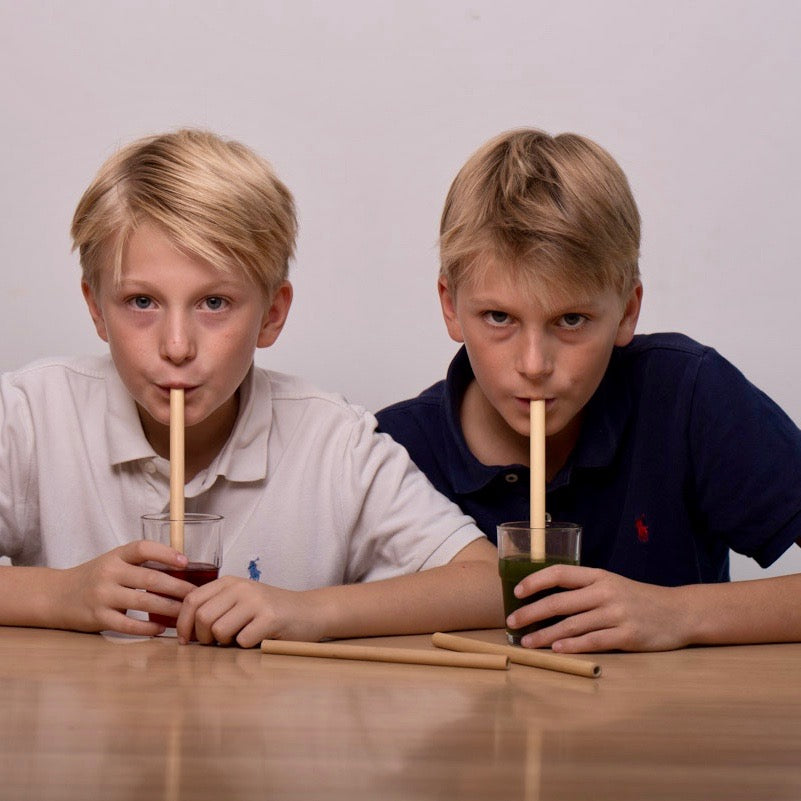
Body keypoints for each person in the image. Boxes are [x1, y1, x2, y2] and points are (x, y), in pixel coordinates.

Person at [0, 128, 503, 648]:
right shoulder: (30, 417)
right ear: (95, 307)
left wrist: (308, 611)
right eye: (141, 303)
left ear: (272, 315)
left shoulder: (333, 443)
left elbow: (490, 584)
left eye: (214, 303)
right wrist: (60, 594)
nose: (177, 346)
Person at [376, 128, 801, 654]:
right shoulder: (390, 450)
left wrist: (678, 614)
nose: (534, 366)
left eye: (571, 319)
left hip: (671, 731)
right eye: (499, 317)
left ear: (627, 310)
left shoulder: (684, 395)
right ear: (450, 305)